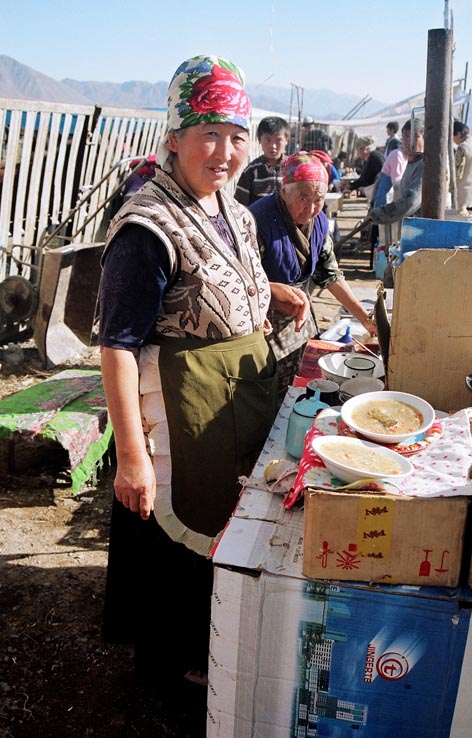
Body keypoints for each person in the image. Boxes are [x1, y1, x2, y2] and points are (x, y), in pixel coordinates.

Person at [99, 54, 310, 693]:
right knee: (168, 541)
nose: (225, 151)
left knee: (213, 533)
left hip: (225, 406)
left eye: (237, 135)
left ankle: (202, 652)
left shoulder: (233, 209)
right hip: (170, 421)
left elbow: (217, 273)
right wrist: (131, 457)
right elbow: (116, 344)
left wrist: (269, 288)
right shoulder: (146, 228)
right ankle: (164, 679)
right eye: (208, 134)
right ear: (174, 139)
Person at [249, 152, 376, 399]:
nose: (311, 208)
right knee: (266, 393)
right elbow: (241, 278)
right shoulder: (257, 221)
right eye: (303, 198)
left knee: (302, 387)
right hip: (262, 325)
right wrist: (272, 289)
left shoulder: (319, 222)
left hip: (300, 322)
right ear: (284, 191)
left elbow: (330, 274)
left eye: (318, 199)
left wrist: (365, 319)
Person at [370, 118, 424, 225]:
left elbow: (411, 201)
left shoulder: (424, 165)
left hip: (421, 226)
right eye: (406, 137)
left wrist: (379, 214)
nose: (409, 141)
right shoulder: (410, 163)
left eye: (415, 137)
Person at [234, 116, 289, 205]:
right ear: (259, 140)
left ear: (286, 140)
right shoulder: (252, 170)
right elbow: (240, 204)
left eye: (278, 140)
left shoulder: (292, 167)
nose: (273, 146)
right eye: (268, 140)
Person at [372, 145, 408, 209]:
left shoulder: (407, 156)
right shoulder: (398, 155)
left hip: (394, 182)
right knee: (381, 207)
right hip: (387, 182)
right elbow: (396, 181)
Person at [453, 120, 472, 213]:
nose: (453, 141)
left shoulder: (462, 148)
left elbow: (457, 174)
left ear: (459, 134)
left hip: (463, 198)